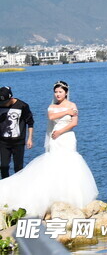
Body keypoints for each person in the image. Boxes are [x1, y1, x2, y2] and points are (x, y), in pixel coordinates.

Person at [0, 81, 98, 216]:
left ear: (66, 93)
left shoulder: (72, 105)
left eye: (60, 92)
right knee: (54, 163)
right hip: (55, 138)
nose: (58, 94)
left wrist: (62, 130)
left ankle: (72, 197)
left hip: (67, 137)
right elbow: (51, 116)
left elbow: (74, 122)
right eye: (56, 92)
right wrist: (67, 112)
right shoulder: (52, 106)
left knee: (71, 164)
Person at [0, 86, 33, 178]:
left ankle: (19, 188)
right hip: (3, 142)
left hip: (18, 142)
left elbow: (30, 122)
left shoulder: (22, 106)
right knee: (3, 167)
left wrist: (29, 138)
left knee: (18, 168)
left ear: (11, 98)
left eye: (5, 102)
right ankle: (4, 188)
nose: (3, 104)